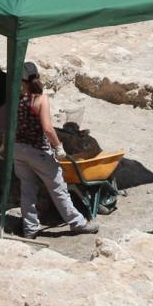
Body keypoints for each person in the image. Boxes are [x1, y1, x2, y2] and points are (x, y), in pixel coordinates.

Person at [12, 61, 96, 238]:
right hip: (38, 151)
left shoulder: (18, 99)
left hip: (18, 150)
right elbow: (48, 129)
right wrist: (58, 147)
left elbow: (12, 126)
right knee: (58, 188)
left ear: (22, 80)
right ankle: (78, 223)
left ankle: (30, 228)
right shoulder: (40, 99)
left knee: (27, 189)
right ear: (38, 77)